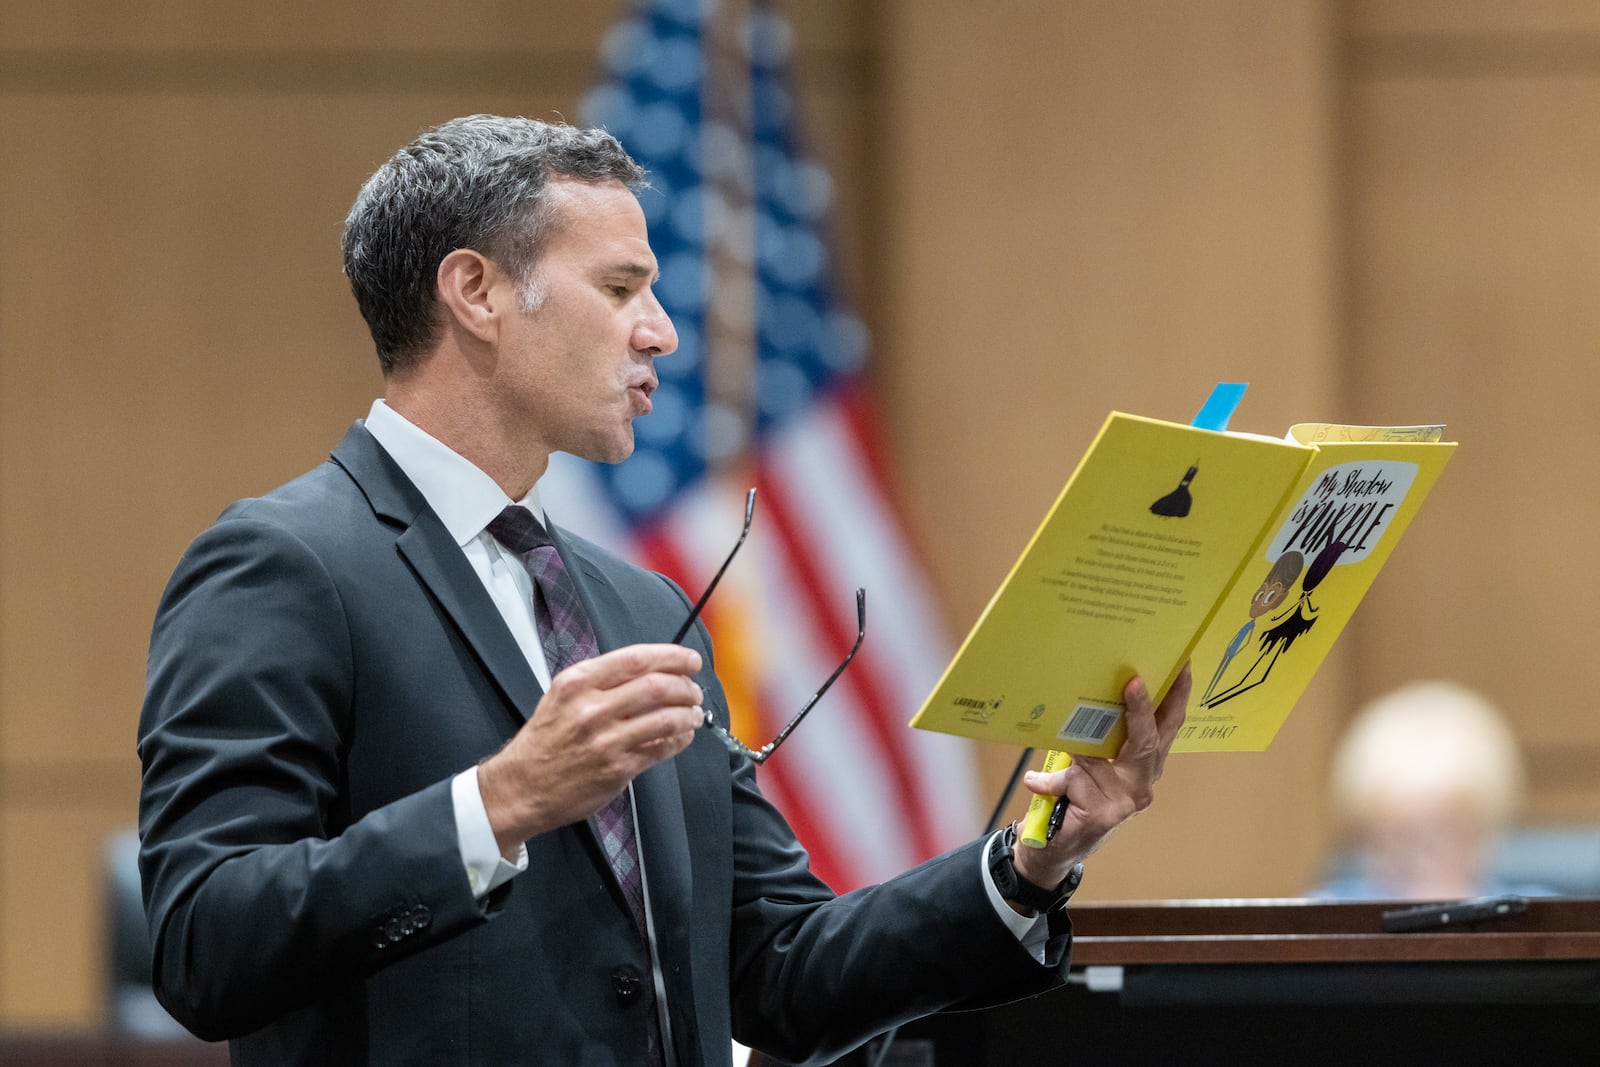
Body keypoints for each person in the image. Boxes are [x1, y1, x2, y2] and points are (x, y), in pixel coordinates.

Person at [136, 114, 1190, 1066]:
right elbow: (203, 942)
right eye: (619, 287)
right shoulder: (283, 564)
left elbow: (779, 970)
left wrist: (1030, 860)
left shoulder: (639, 608)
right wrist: (496, 804)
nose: (661, 331)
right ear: (476, 292)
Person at [1309, 680, 1545, 901]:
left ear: (1483, 831)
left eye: (1446, 831)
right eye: (1401, 836)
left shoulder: (1536, 917)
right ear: (1367, 835)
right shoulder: (1322, 917)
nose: (1421, 859)